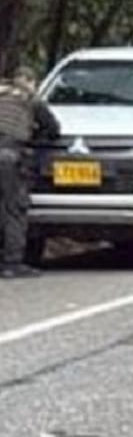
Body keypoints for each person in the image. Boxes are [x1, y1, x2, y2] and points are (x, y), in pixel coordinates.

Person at [0, 66, 61, 279]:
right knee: (14, 209)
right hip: (9, 157)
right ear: (29, 81)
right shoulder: (31, 100)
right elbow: (53, 130)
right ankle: (11, 263)